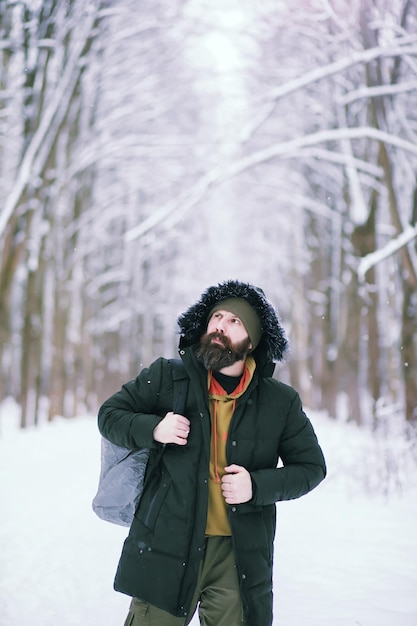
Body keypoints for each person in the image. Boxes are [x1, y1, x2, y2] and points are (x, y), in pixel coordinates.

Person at [98, 279, 326, 626]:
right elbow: (109, 416)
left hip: (239, 558)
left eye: (234, 321)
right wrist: (154, 429)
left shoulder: (280, 402)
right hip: (165, 545)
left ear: (251, 341)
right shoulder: (167, 378)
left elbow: (312, 467)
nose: (220, 325)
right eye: (216, 316)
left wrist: (257, 486)